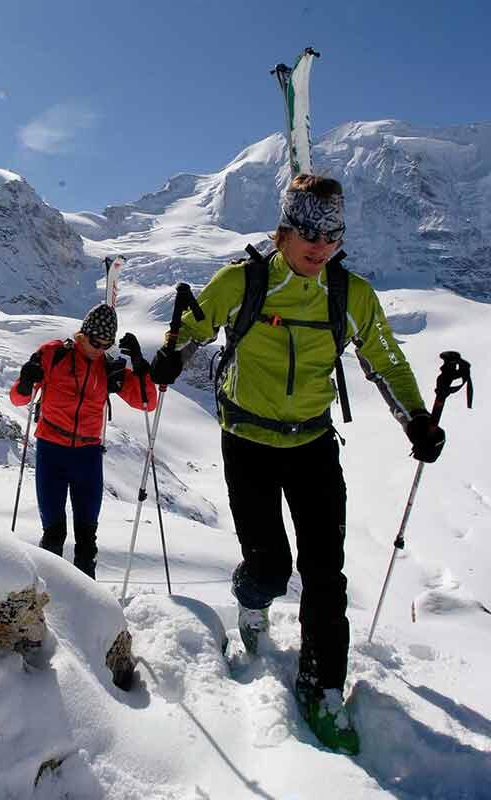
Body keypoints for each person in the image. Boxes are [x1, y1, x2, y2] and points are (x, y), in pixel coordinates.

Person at [150, 174, 445, 754]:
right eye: (308, 229)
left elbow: (383, 355)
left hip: (312, 444)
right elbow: (195, 326)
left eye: (331, 232)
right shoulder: (245, 280)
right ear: (285, 227)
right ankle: (250, 598)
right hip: (248, 442)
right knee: (269, 567)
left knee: (324, 574)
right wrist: (168, 356)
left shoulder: (348, 293)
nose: (319, 243)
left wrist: (415, 418)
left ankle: (323, 687)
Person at [10, 303, 157, 580]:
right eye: (95, 341)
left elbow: (147, 402)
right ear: (83, 334)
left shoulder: (110, 370)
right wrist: (26, 383)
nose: (99, 348)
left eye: (107, 344)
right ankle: (49, 596)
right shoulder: (54, 354)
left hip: (87, 456)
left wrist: (140, 367)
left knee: (87, 542)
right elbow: (18, 398)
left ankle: (87, 606)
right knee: (53, 535)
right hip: (51, 450)